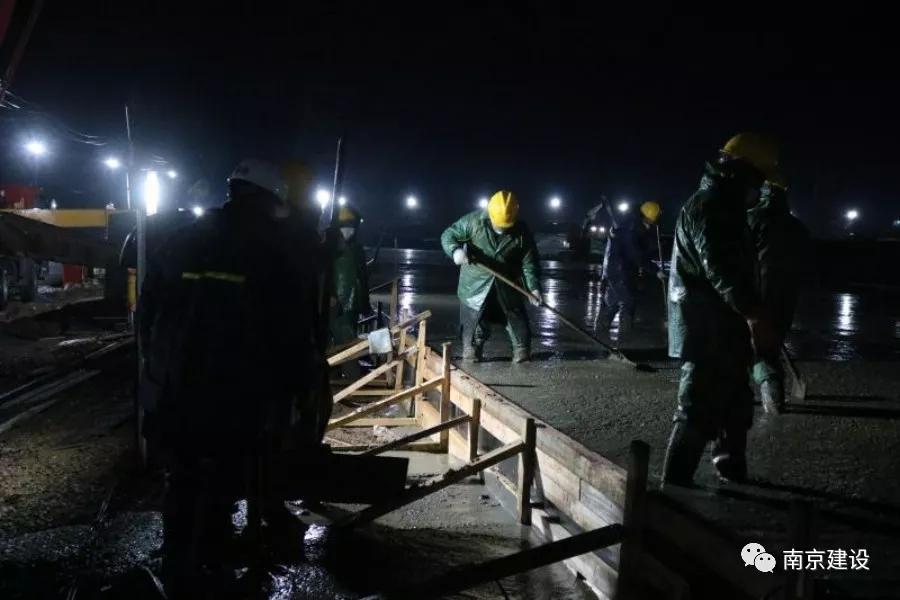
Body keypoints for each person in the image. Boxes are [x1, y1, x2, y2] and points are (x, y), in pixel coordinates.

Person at [139, 159, 330, 596]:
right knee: (223, 478)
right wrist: (297, 393)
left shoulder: (182, 240)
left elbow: (147, 315)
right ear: (269, 200)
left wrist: (157, 372)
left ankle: (177, 564)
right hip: (234, 391)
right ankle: (211, 567)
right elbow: (291, 332)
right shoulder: (269, 253)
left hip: (174, 387)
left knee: (182, 477)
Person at [662, 133, 778, 486]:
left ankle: (730, 469)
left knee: (735, 402)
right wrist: (754, 313)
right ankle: (674, 487)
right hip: (705, 326)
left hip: (725, 325)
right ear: (740, 171)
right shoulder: (709, 206)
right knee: (697, 406)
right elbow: (722, 270)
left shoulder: (727, 206)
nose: (759, 189)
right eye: (757, 179)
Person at [441, 190, 541, 363]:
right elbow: (449, 235)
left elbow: (529, 262)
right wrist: (454, 250)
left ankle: (521, 350)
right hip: (475, 287)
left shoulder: (522, 232)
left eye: (506, 225)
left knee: (519, 333)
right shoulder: (473, 222)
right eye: (498, 224)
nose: (502, 228)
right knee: (473, 333)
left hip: (507, 285)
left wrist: (534, 288)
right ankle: (472, 350)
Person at [747, 174, 810, 414]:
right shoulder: (798, 227)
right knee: (771, 343)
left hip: (757, 292)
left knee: (754, 345)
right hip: (787, 296)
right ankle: (774, 395)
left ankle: (770, 394)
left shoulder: (752, 219)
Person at [595, 201, 665, 339]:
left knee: (613, 302)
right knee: (628, 302)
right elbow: (636, 255)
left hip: (616, 270)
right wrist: (655, 270)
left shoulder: (634, 226)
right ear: (651, 217)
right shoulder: (632, 229)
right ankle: (625, 340)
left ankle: (599, 336)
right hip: (620, 271)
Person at [330, 204, 371, 346]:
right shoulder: (331, 247)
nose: (347, 231)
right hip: (335, 304)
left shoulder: (357, 249)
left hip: (351, 304)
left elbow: (363, 278)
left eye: (351, 227)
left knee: (346, 338)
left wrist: (365, 304)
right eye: (344, 227)